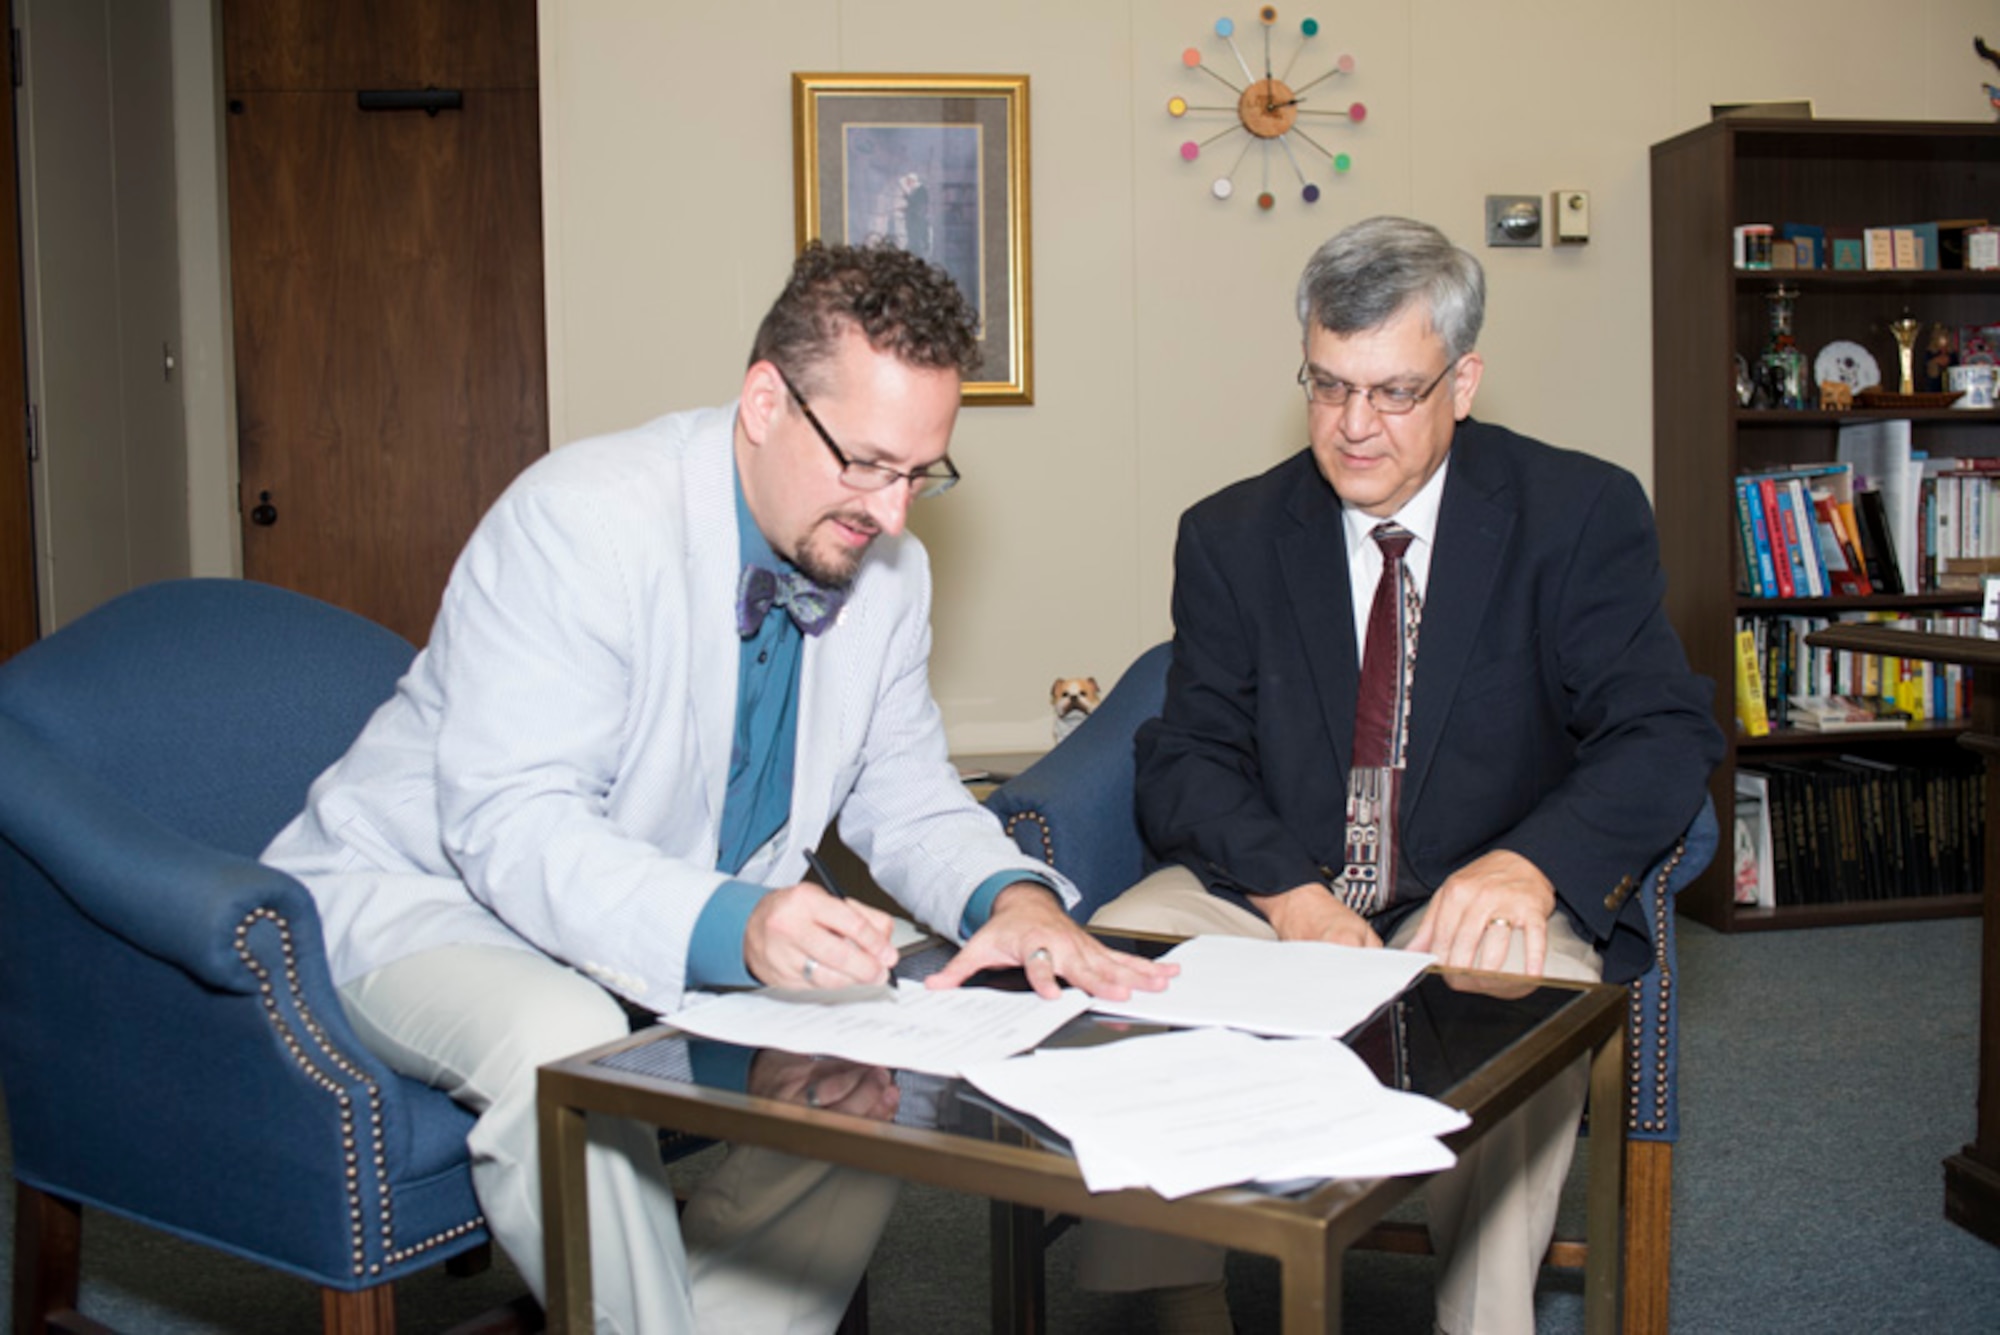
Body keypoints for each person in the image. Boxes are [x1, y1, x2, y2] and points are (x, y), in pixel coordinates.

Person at [262, 240, 1173, 1334]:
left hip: (649, 914)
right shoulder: (582, 520)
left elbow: (904, 793)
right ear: (763, 402)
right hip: (423, 904)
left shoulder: (889, 571)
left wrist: (1011, 903)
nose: (890, 514)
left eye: (920, 474)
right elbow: (510, 824)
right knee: (557, 1040)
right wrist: (736, 924)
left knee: (867, 1041)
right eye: (867, 464)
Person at [1084, 215, 1723, 1335]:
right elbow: (1182, 754)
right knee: (1132, 976)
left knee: (1526, 1000)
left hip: (1473, 880)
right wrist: (1289, 897)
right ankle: (1176, 1301)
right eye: (1327, 386)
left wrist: (1529, 868)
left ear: (1462, 381)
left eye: (1391, 392)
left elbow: (1662, 733)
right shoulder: (1230, 534)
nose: (1352, 427)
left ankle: (1482, 1320)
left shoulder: (1574, 514)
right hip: (1272, 880)